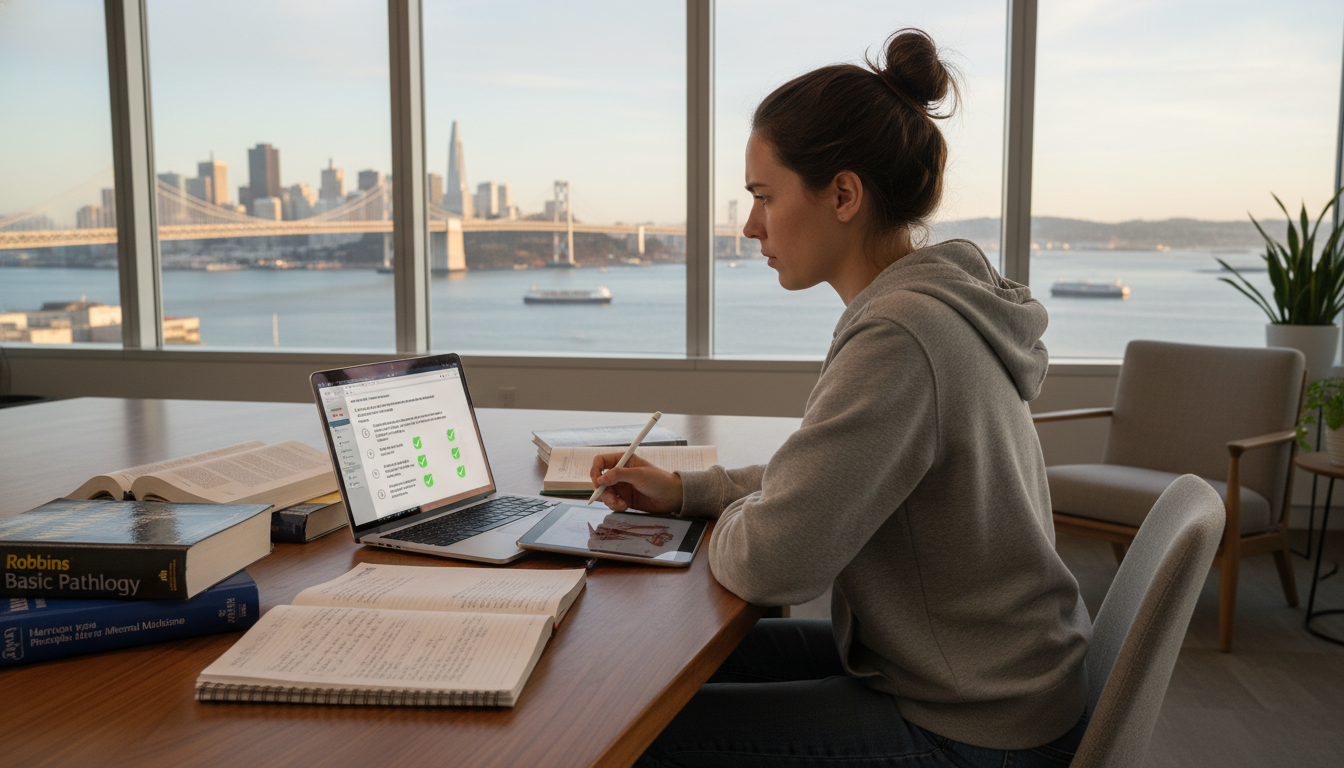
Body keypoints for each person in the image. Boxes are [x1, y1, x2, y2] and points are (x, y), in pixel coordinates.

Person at [589, 28, 1092, 768]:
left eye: (764, 197)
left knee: (629, 737)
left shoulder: (901, 335)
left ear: (844, 194)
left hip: (969, 725)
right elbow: (827, 478)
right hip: (988, 677)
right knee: (649, 684)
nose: (750, 225)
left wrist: (731, 522)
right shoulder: (932, 305)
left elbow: (775, 563)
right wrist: (691, 493)